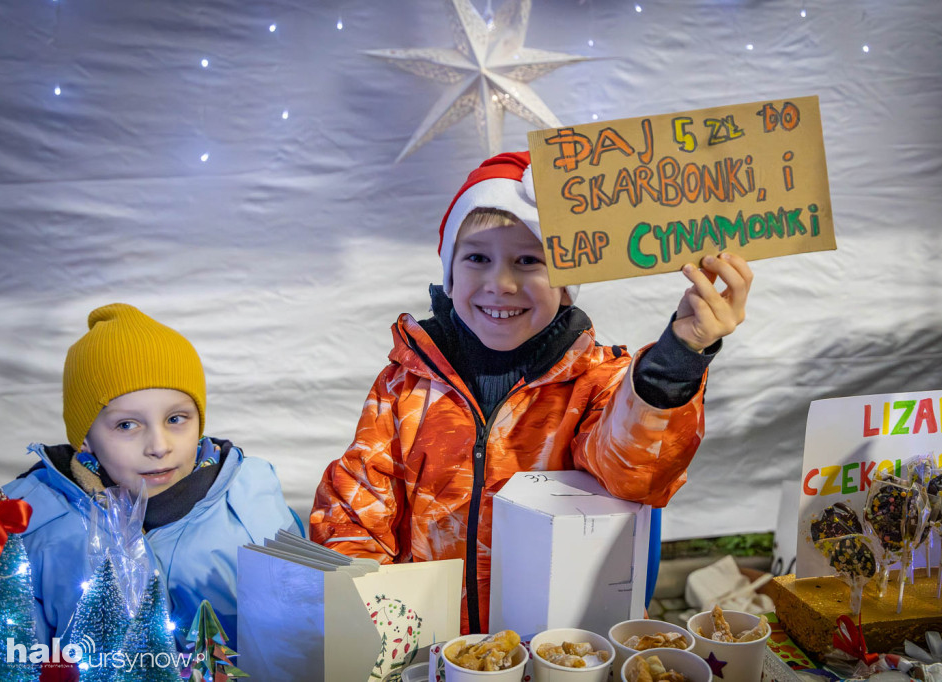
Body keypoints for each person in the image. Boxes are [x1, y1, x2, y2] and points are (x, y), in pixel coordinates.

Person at [310, 151, 753, 634]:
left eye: (529, 260)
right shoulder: (404, 383)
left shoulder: (596, 382)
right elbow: (355, 510)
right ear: (450, 272)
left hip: (557, 649)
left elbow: (635, 472)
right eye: (478, 257)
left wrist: (677, 357)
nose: (501, 284)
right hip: (431, 648)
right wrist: (381, 628)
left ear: (566, 284)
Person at [4, 303, 299, 646]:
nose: (159, 446)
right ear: (84, 438)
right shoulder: (27, 522)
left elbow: (304, 637)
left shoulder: (251, 497)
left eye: (176, 419)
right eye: (127, 425)